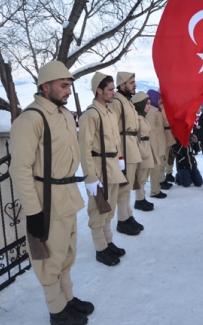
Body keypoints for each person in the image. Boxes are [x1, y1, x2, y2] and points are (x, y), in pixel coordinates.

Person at [9, 61, 93, 325]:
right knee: (49, 261)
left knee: (66, 254)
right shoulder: (30, 119)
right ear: (45, 86)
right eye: (63, 85)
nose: (68, 91)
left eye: (69, 85)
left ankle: (67, 298)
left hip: (66, 195)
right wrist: (34, 212)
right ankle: (57, 311)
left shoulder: (65, 115)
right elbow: (20, 169)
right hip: (46, 201)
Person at [78, 72, 127, 267]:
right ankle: (100, 248)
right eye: (110, 89)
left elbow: (115, 140)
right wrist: (90, 176)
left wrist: (120, 159)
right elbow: (85, 148)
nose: (114, 93)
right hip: (99, 169)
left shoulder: (109, 112)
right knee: (98, 209)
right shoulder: (91, 114)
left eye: (114, 89)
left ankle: (108, 242)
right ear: (99, 90)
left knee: (109, 208)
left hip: (112, 166)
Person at [108, 71, 144, 237]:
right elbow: (113, 128)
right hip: (124, 147)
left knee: (129, 185)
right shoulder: (117, 102)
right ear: (122, 85)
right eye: (131, 82)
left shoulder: (127, 102)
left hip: (131, 145)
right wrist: (119, 154)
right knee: (124, 187)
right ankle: (122, 220)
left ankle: (128, 216)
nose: (134, 85)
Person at [131, 91, 155, 211]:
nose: (149, 106)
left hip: (146, 147)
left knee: (144, 176)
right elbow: (133, 137)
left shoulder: (143, 118)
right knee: (140, 176)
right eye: (147, 104)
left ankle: (142, 198)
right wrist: (142, 151)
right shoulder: (137, 119)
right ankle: (139, 200)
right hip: (141, 150)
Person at [145, 90, 167, 199]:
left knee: (158, 169)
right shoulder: (151, 112)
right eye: (158, 99)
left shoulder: (157, 110)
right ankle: (154, 191)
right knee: (155, 170)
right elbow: (150, 131)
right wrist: (153, 148)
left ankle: (157, 188)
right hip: (156, 146)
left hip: (160, 144)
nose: (160, 101)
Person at [159, 96, 176, 187]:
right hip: (163, 134)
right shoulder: (159, 109)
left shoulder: (166, 108)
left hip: (169, 133)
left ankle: (166, 175)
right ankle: (160, 179)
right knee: (162, 158)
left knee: (168, 157)